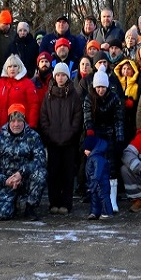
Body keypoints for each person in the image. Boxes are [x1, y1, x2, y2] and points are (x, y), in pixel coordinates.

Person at [0, 103, 47, 221]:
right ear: (9, 121)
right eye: (13, 121)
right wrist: (4, 180)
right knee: (1, 215)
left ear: (24, 121)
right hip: (6, 182)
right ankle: (13, 202)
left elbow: (40, 160)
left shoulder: (33, 136)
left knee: (41, 174)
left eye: (19, 121)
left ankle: (30, 207)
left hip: (25, 180)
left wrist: (21, 173)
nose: (16, 124)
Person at [40, 62, 83, 215]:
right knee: (53, 173)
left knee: (68, 174)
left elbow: (77, 117)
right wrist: (49, 133)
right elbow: (43, 117)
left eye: (63, 75)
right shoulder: (48, 95)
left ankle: (66, 203)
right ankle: (54, 202)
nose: (60, 78)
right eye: (58, 75)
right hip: (52, 141)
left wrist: (71, 133)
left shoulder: (74, 95)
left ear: (67, 76)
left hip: (69, 142)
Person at [84, 68, 126, 213]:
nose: (100, 90)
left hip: (110, 134)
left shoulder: (114, 98)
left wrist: (119, 138)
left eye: (103, 87)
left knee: (111, 168)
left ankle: (112, 200)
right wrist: (90, 139)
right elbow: (88, 120)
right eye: (98, 87)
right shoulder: (89, 98)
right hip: (95, 134)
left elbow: (118, 119)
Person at [0, 54, 40, 130]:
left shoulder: (27, 83)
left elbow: (33, 105)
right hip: (2, 126)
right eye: (9, 66)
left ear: (19, 68)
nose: (12, 69)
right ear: (6, 68)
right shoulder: (0, 83)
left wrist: (32, 124)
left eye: (15, 66)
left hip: (20, 125)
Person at [83, 131, 113, 219]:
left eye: (86, 149)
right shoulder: (92, 157)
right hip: (94, 181)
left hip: (100, 181)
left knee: (103, 196)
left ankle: (107, 212)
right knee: (94, 197)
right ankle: (94, 212)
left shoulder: (97, 158)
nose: (85, 151)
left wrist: (95, 179)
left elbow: (98, 170)